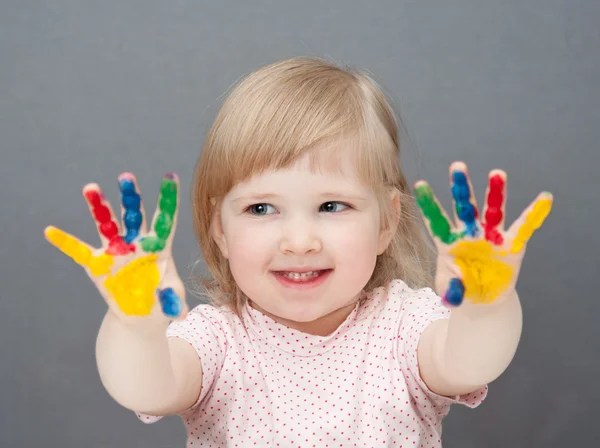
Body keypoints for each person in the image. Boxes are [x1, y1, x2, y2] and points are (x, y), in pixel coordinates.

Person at [44, 57, 553, 447]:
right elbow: (145, 388)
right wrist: (133, 325)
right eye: (262, 209)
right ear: (219, 228)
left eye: (332, 205)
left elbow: (469, 363)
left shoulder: (404, 326)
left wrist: (487, 305)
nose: (299, 240)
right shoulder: (219, 340)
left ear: (386, 223)